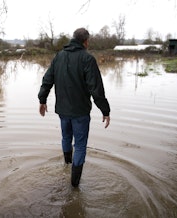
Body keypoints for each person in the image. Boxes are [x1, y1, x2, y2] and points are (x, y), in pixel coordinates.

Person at [38, 27, 111, 187]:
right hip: (80, 112)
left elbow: (47, 80)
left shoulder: (59, 56)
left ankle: (67, 165)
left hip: (63, 111)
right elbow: (96, 88)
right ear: (86, 41)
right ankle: (74, 185)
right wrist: (105, 110)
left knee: (65, 138)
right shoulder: (87, 58)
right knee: (79, 145)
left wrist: (42, 99)